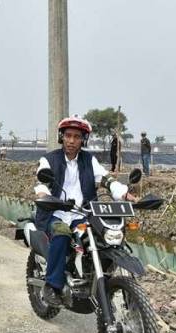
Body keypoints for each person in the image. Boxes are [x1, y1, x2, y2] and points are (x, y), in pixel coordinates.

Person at [34, 116, 137, 306]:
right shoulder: (49, 159)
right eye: (68, 136)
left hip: (82, 213)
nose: (72, 141)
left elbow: (106, 179)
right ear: (62, 137)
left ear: (83, 140)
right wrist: (44, 196)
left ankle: (101, 279)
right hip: (56, 213)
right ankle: (53, 284)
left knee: (102, 237)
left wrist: (123, 194)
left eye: (77, 137)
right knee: (62, 233)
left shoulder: (89, 160)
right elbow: (42, 184)